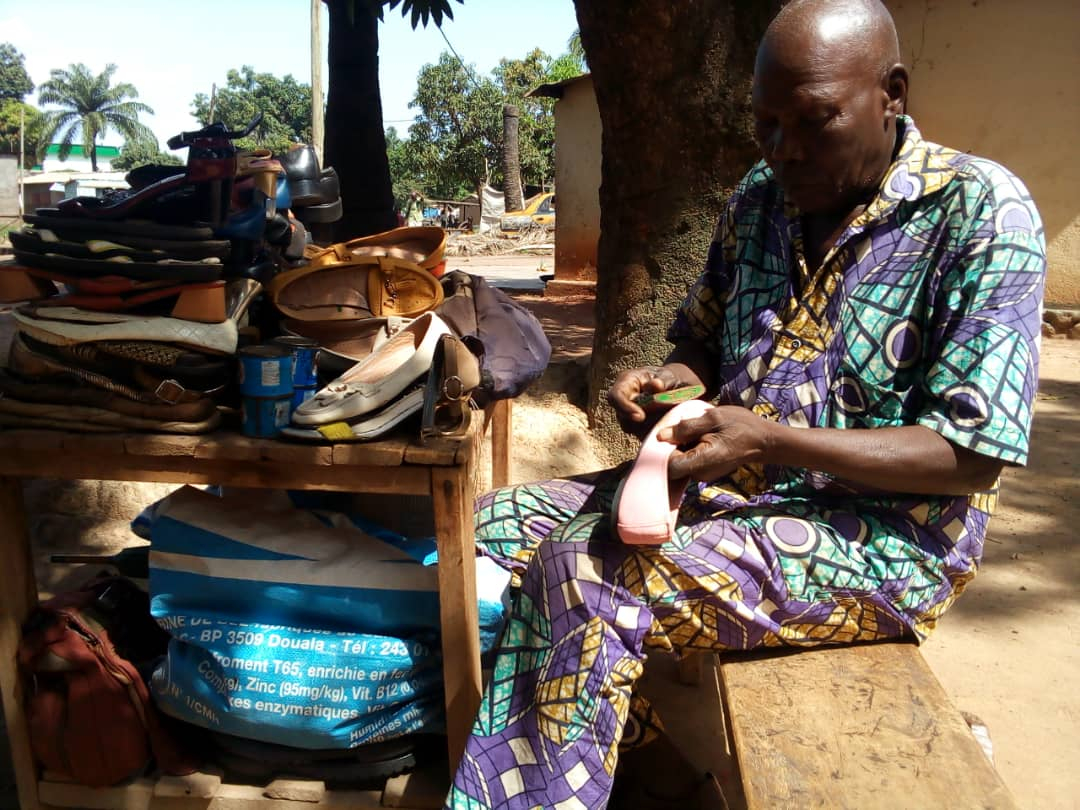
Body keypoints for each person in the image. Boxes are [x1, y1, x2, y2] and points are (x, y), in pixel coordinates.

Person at [445, 1, 1046, 808]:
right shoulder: (762, 197)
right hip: (731, 489)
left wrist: (770, 442)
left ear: (892, 94)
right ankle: (653, 776)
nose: (784, 150)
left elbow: (972, 455)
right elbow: (702, 342)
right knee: (487, 528)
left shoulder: (982, 214)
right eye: (765, 123)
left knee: (583, 575)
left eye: (814, 120)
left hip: (884, 539)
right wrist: (671, 383)